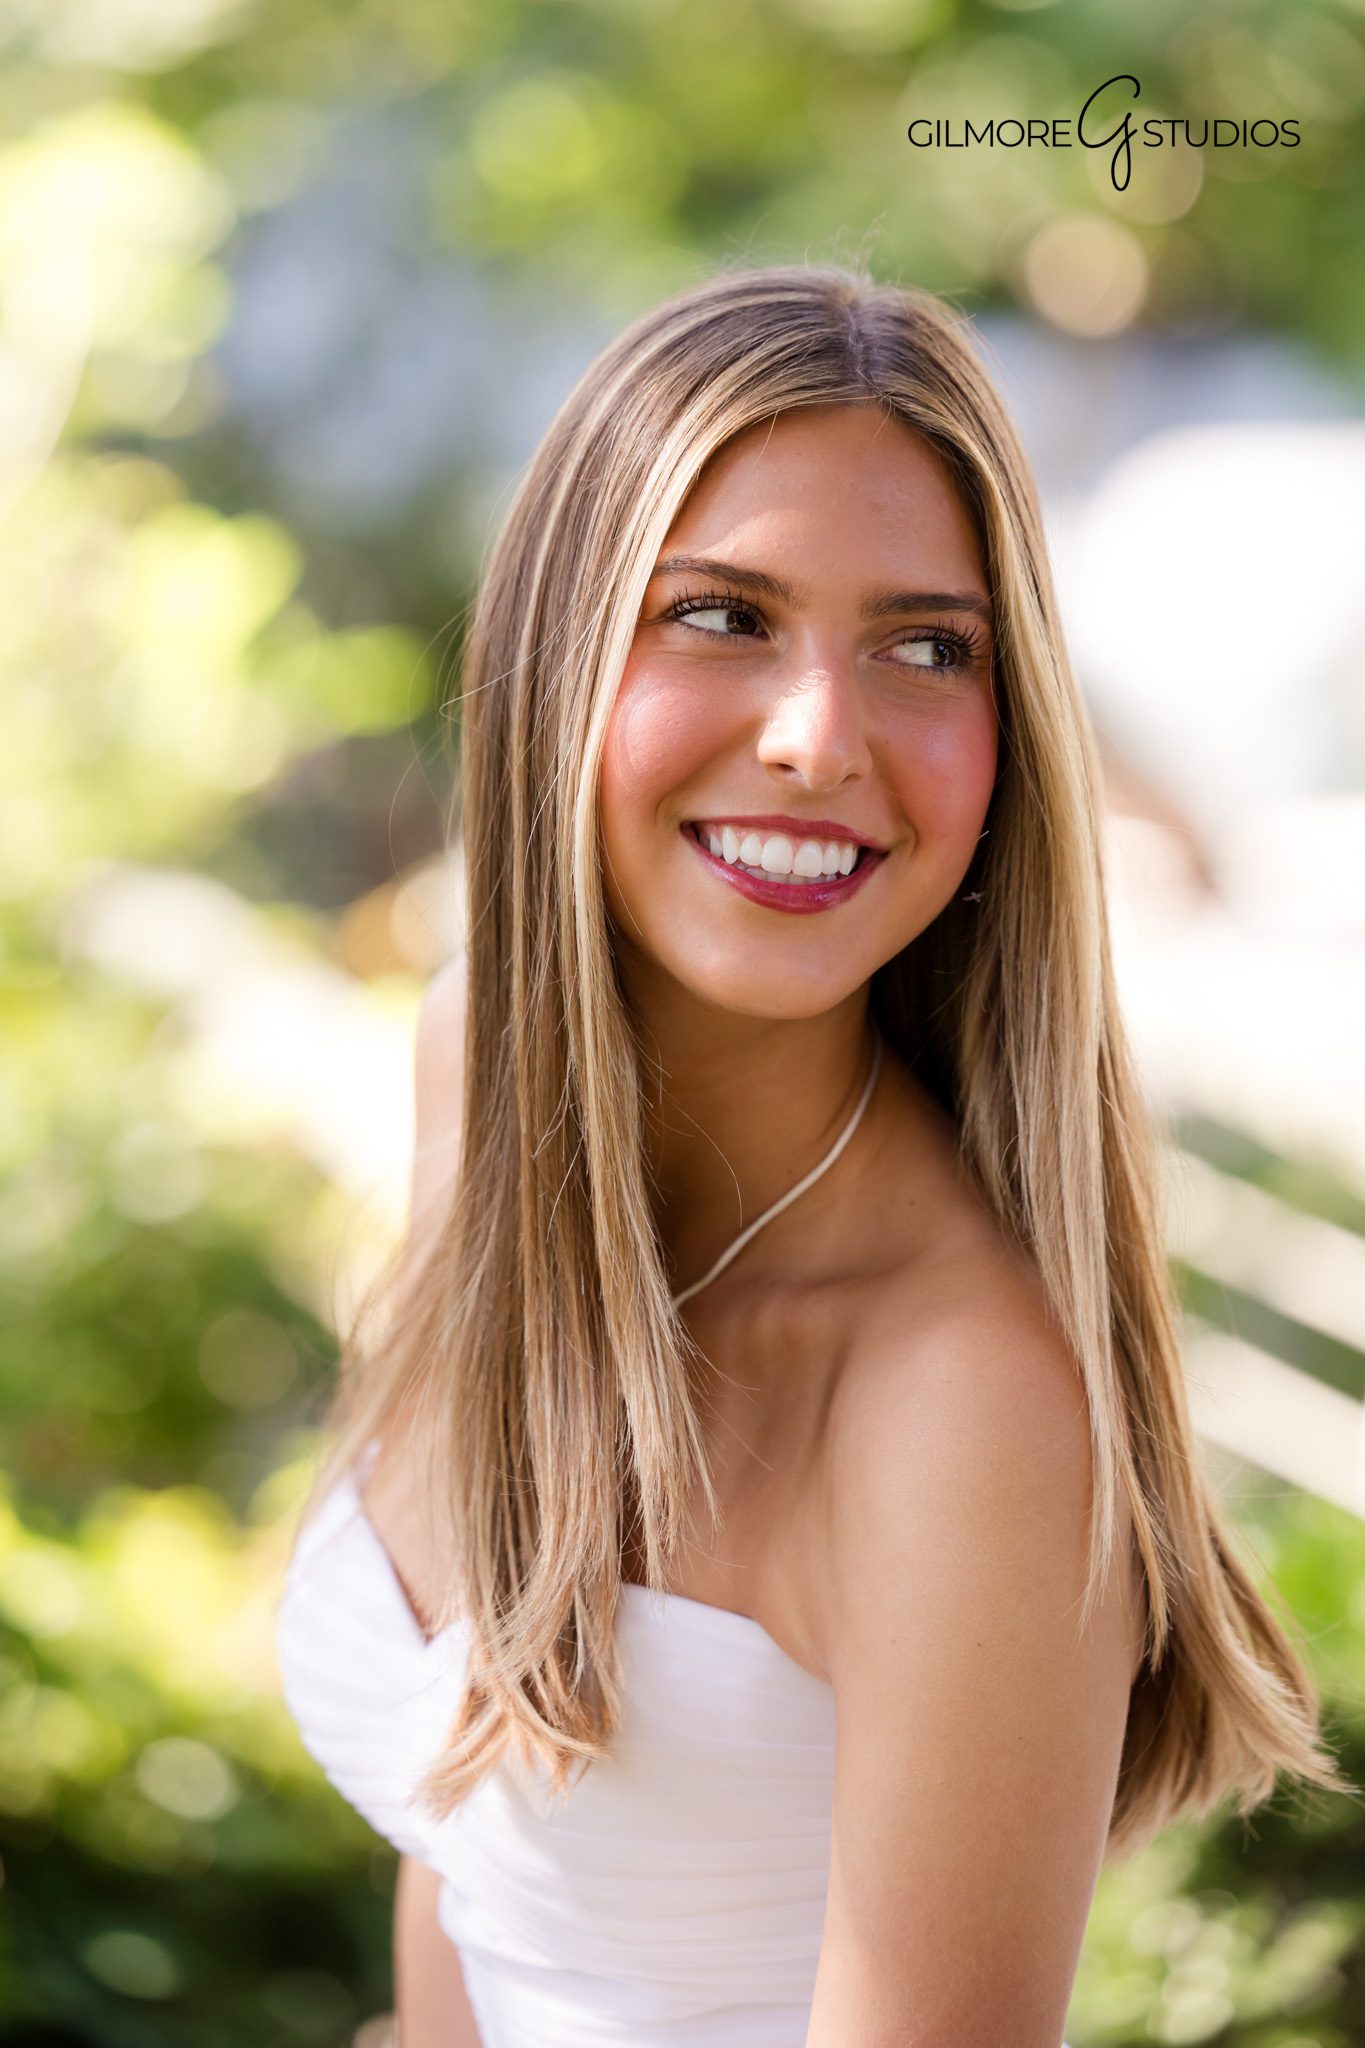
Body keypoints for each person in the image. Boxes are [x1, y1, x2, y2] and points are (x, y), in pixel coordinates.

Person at [273, 264, 1348, 2048]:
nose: (819, 739)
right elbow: (463, 1844)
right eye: (720, 615)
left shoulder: (962, 1405)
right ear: (556, 652)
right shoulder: (478, 1072)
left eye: (927, 648)